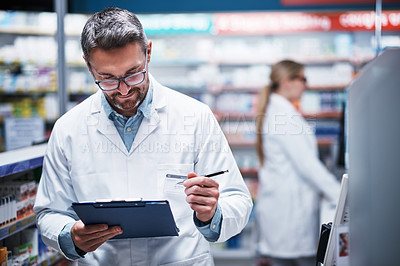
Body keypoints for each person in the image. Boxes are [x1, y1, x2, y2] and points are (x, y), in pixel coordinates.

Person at [33, 7, 253, 266]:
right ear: (88, 66)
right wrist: (70, 236)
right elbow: (49, 211)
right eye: (107, 78)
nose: (124, 89)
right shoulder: (68, 128)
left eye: (132, 73)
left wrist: (211, 214)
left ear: (148, 53)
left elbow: (237, 200)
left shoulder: (195, 116)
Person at [254, 60, 340, 266]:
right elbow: (308, 165)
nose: (306, 85)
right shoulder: (283, 117)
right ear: (286, 81)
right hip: (288, 213)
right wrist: (342, 195)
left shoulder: (280, 112)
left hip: (284, 208)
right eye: (303, 79)